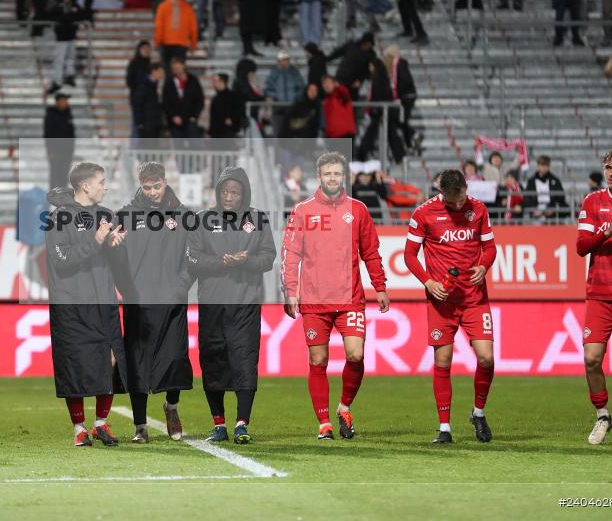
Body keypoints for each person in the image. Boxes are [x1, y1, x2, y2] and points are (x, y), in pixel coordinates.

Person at [282, 151, 390, 440]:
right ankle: (323, 423)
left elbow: (371, 253)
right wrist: (290, 291)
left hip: (350, 298)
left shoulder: (358, 210)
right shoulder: (302, 210)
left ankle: (344, 407)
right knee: (318, 360)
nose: (332, 178)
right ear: (319, 177)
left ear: (345, 177)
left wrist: (380, 287)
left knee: (356, 354)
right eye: (327, 173)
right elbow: (290, 255)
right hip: (315, 300)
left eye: (337, 174)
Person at [403, 168, 497, 444]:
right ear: (441, 192)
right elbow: (409, 256)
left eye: (461, 197)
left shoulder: (478, 210)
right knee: (442, 361)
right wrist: (428, 282)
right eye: (452, 199)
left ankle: (478, 412)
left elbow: (490, 248)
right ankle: (444, 428)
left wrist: (483, 264)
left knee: (486, 357)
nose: (458, 204)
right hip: (441, 301)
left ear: (467, 187)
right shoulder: (423, 213)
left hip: (474, 298)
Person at [188, 167, 275, 443]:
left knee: (245, 361)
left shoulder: (257, 220)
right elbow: (192, 259)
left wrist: (245, 261)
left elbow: (268, 258)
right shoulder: (202, 220)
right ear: (217, 192)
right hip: (212, 304)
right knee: (212, 361)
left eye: (235, 192)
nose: (229, 197)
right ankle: (219, 424)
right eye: (225, 191)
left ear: (244, 194)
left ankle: (242, 424)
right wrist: (220, 262)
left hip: (245, 304)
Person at [45, 162, 128, 447]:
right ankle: (79, 428)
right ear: (85, 186)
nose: (106, 186)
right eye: (102, 181)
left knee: (112, 359)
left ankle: (101, 424)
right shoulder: (58, 218)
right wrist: (95, 240)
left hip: (103, 299)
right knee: (76, 364)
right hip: (71, 303)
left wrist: (115, 244)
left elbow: (109, 257)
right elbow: (62, 260)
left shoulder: (106, 215)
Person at [111, 162, 193, 444]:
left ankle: (171, 407)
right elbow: (116, 259)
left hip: (172, 301)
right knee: (137, 363)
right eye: (147, 187)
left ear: (165, 182)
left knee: (174, 359)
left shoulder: (183, 216)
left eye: (156, 186)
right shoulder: (126, 215)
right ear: (140, 184)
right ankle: (140, 426)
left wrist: (180, 288)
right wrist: (127, 290)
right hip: (138, 303)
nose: (152, 192)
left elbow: (191, 256)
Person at [575, 147, 612, 447]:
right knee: (591, 358)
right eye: (608, 167)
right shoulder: (593, 201)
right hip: (599, 294)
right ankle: (602, 415)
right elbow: (582, 245)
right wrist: (610, 229)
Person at [358, 58, 406, 163]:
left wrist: (375, 109)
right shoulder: (382, 77)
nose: (369, 68)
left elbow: (379, 95)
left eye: (371, 66)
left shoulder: (378, 78)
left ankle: (362, 154)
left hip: (381, 111)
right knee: (390, 133)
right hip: (383, 110)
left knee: (372, 134)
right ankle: (400, 155)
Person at [46, 0, 87, 94]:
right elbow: (53, 17)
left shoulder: (75, 5)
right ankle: (57, 81)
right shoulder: (57, 6)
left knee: (70, 58)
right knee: (59, 60)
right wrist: (68, 16)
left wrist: (73, 14)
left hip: (72, 36)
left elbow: (81, 15)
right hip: (61, 37)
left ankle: (70, 76)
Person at [383, 44, 419, 152]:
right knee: (400, 120)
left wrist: (398, 94)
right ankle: (411, 139)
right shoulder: (397, 65)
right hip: (406, 96)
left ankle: (411, 140)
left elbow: (405, 81)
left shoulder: (399, 64)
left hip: (407, 96)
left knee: (401, 120)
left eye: (387, 57)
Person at [162, 57, 204, 139]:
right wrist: (173, 116)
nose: (176, 70)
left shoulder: (193, 80)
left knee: (194, 147)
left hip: (190, 121)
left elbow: (200, 100)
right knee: (179, 148)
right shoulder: (168, 83)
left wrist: (194, 116)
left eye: (178, 68)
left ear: (183, 66)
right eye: (174, 68)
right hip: (175, 123)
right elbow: (165, 103)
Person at [154, 0, 198, 66]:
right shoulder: (188, 8)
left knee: (167, 69)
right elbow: (193, 29)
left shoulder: (162, 6)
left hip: (166, 44)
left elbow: (159, 27)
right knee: (179, 70)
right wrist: (193, 45)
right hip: (181, 44)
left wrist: (157, 43)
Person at [328, 32, 376, 101]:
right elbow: (337, 53)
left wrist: (360, 80)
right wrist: (326, 59)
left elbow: (369, 71)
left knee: (351, 103)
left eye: (370, 45)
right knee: (338, 101)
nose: (368, 46)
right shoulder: (351, 45)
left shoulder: (371, 55)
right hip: (341, 78)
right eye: (367, 44)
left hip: (354, 83)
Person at [43, 91, 75, 189]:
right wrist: (50, 150)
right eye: (63, 100)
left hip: (67, 150)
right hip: (55, 150)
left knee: (64, 173)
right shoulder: (51, 115)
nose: (66, 102)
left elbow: (71, 133)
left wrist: (71, 148)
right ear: (58, 102)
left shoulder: (68, 114)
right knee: (55, 173)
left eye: (66, 100)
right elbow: (48, 134)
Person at [524, 155, 569, 222]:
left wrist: (552, 209)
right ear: (538, 166)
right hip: (536, 209)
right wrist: (533, 210)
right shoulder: (531, 181)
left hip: (551, 209)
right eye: (542, 165)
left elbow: (561, 197)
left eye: (546, 165)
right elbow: (527, 198)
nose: (544, 168)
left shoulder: (555, 180)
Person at [132, 62, 165, 140]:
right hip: (146, 125)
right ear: (153, 71)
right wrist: (140, 123)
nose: (162, 74)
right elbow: (137, 104)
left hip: (155, 124)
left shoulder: (156, 86)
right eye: (160, 72)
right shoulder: (144, 85)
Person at [209, 72, 244, 145]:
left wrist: (232, 119)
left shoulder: (233, 96)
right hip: (216, 134)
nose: (214, 83)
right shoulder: (215, 99)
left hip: (229, 132)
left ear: (222, 82)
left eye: (216, 81)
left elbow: (239, 110)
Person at [127, 40, 152, 135]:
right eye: (144, 48)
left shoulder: (150, 64)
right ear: (139, 50)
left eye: (148, 49)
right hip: (136, 99)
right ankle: (134, 147)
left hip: (148, 100)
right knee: (136, 123)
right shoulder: (134, 63)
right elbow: (129, 81)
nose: (146, 51)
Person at [234, 57, 265, 129]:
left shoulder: (242, 81)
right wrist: (264, 98)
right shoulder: (241, 82)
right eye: (252, 72)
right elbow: (250, 95)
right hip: (244, 116)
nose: (253, 74)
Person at [321, 75, 355, 140]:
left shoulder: (340, 94)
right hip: (332, 136)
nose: (326, 85)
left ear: (334, 83)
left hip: (345, 135)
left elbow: (346, 93)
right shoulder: (326, 101)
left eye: (328, 82)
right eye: (324, 83)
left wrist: (339, 86)